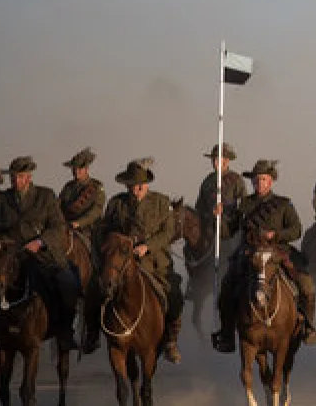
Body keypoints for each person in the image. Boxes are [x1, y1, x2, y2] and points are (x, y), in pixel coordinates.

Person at [211, 159, 316, 352]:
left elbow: (296, 230)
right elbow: (228, 232)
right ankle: (227, 334)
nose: (259, 183)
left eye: (263, 179)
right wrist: (218, 218)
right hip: (249, 253)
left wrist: (276, 235)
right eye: (256, 180)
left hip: (278, 252)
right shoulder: (245, 204)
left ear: (271, 181)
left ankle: (308, 327)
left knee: (306, 286)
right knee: (226, 288)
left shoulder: (283, 204)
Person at [83, 159, 183, 363]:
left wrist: (148, 246)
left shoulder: (161, 203)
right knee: (94, 289)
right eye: (131, 185)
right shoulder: (116, 203)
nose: (135, 189)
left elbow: (168, 231)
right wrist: (116, 242)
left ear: (147, 184)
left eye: (139, 184)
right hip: (121, 261)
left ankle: (171, 341)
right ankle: (92, 334)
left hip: (153, 262)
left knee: (174, 294)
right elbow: (103, 229)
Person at [0, 156, 79, 351]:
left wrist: (40, 241)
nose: (17, 181)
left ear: (29, 177)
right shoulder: (2, 199)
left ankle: (65, 330)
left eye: (21, 177)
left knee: (68, 282)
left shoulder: (46, 196)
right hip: (11, 258)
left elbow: (58, 227)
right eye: (14, 177)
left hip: (42, 256)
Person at [194, 142, 247, 270]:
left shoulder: (236, 180)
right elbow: (199, 207)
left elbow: (244, 206)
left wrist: (226, 211)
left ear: (227, 161)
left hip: (230, 231)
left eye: (219, 159)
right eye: (214, 159)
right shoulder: (207, 181)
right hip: (209, 231)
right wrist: (210, 213)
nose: (215, 162)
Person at [58, 147, 106, 246]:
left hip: (89, 229)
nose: (76, 171)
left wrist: (79, 223)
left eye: (80, 168)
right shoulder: (68, 187)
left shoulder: (96, 187)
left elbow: (96, 211)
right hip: (67, 226)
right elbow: (58, 205)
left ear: (87, 169)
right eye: (74, 169)